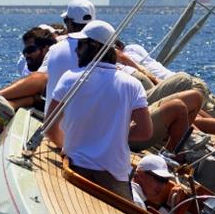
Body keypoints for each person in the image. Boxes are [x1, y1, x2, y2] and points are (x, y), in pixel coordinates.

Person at [47, 20, 151, 199]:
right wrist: (112, 135)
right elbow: (145, 132)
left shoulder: (69, 79)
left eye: (80, 44)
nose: (76, 49)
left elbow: (49, 125)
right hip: (114, 177)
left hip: (76, 169)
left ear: (92, 47)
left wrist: (63, 146)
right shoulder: (132, 84)